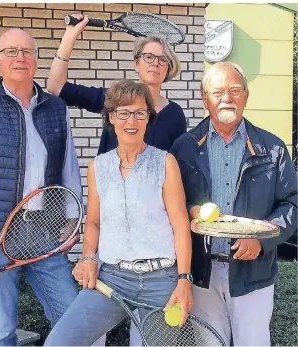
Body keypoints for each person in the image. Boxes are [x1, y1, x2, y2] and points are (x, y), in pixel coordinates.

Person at [0, 28, 82, 346]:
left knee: (73, 319)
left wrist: (71, 220)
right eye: (10, 52)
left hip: (44, 233)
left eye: (26, 51)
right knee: (2, 331)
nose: (19, 57)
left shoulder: (56, 109)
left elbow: (68, 169)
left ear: (36, 60)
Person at [44, 80, 193, 346]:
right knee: (59, 342)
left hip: (162, 280)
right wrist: (88, 257)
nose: (131, 120)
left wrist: (183, 280)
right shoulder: (98, 166)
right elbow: (93, 222)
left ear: (149, 118)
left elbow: (181, 225)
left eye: (139, 112)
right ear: (111, 117)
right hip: (112, 279)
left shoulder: (165, 163)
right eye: (123, 113)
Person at [170, 61, 298, 346]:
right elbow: (170, 201)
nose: (226, 98)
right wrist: (190, 208)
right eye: (217, 92)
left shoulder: (273, 148)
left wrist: (261, 241)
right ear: (205, 99)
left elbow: (292, 204)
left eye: (234, 90)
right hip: (202, 273)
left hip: (253, 274)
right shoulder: (184, 147)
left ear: (246, 95)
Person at [47, 14, 187, 154]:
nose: (155, 63)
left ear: (169, 67)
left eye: (162, 59)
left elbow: (179, 164)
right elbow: (56, 86)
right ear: (136, 64)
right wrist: (70, 35)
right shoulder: (114, 98)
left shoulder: (175, 114)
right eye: (148, 57)